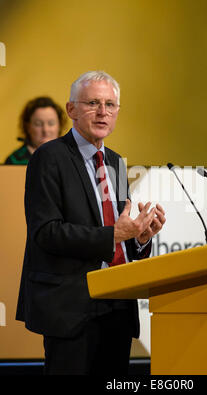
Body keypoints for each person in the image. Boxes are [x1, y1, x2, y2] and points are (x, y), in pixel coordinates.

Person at [16, 71, 166, 375]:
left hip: (116, 306)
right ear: (71, 110)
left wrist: (139, 238)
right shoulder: (49, 158)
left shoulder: (116, 162)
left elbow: (120, 237)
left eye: (110, 105)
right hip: (72, 306)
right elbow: (46, 233)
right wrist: (114, 235)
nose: (103, 112)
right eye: (93, 103)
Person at [4, 96, 67, 164]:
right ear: (28, 127)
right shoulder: (14, 160)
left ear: (59, 126)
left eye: (51, 123)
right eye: (38, 124)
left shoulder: (71, 157)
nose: (45, 130)